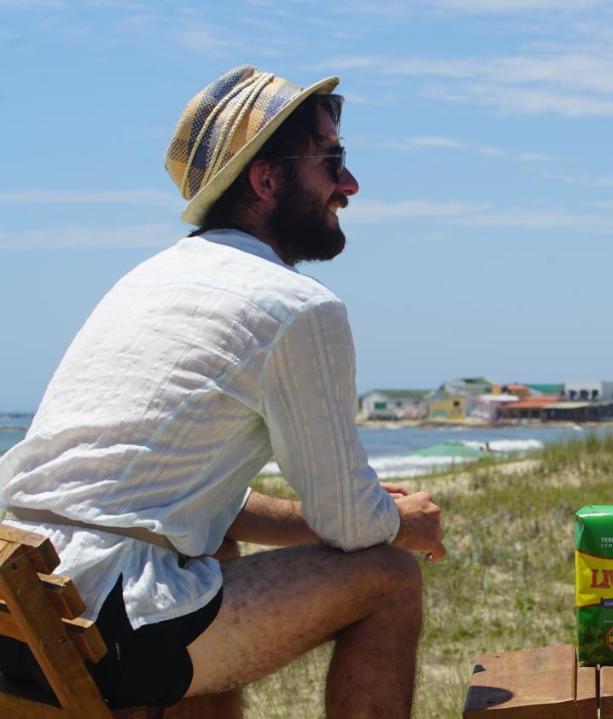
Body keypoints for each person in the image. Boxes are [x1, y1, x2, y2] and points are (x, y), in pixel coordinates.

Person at [0, 65, 446, 718]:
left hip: (23, 610)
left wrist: (342, 515)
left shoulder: (147, 282)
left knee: (210, 549)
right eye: (333, 161)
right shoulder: (297, 307)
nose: (349, 184)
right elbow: (350, 526)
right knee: (389, 577)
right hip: (100, 626)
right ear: (266, 179)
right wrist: (400, 521)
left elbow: (173, 497)